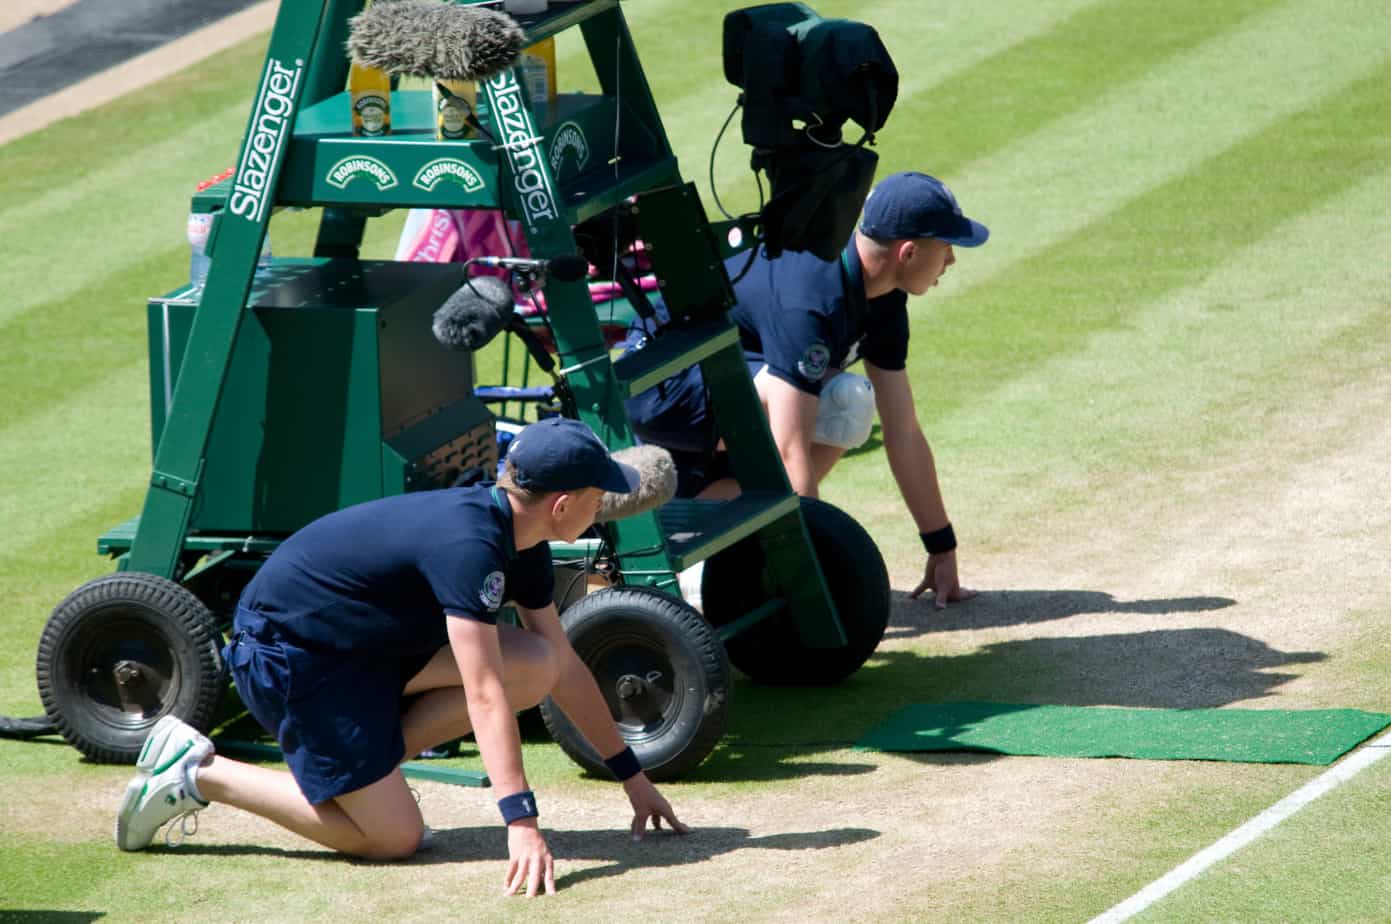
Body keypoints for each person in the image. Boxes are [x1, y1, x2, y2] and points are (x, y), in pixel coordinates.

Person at [115, 417, 687, 897]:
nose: (606, 505)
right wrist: (521, 821)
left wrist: (631, 777)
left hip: (367, 651)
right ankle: (199, 772)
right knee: (392, 839)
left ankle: (366, 776)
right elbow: (484, 692)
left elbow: (561, 663)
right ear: (562, 506)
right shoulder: (471, 546)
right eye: (597, 495)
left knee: (537, 662)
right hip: (294, 660)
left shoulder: (524, 539)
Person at [624, 171, 988, 610]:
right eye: (946, 247)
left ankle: (703, 542)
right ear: (907, 253)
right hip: (663, 383)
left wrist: (941, 547)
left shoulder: (886, 300)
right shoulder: (812, 299)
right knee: (817, 409)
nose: (951, 260)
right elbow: (790, 449)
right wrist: (812, 586)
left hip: (732, 366)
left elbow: (903, 429)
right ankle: (707, 563)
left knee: (846, 404)